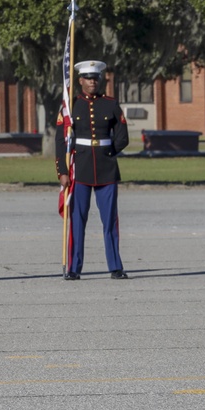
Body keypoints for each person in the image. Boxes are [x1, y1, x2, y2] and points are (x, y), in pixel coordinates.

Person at [55, 60, 130, 280]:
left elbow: (122, 135)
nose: (92, 82)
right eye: (88, 78)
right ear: (80, 81)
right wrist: (63, 171)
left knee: (110, 221)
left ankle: (115, 266)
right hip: (81, 168)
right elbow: (61, 141)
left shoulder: (111, 104)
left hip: (106, 168)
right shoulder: (71, 106)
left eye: (95, 78)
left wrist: (109, 151)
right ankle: (74, 268)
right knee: (77, 221)